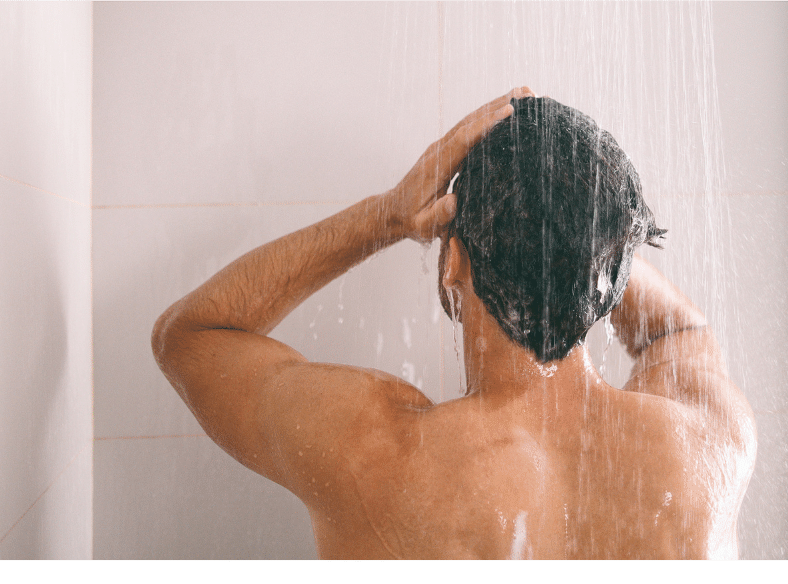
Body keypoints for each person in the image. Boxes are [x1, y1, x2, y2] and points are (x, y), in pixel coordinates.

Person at [152, 88, 756, 560]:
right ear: (615, 272)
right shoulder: (708, 445)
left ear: (454, 260)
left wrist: (389, 215)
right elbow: (679, 333)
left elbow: (192, 336)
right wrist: (582, 230)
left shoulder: (378, 453)